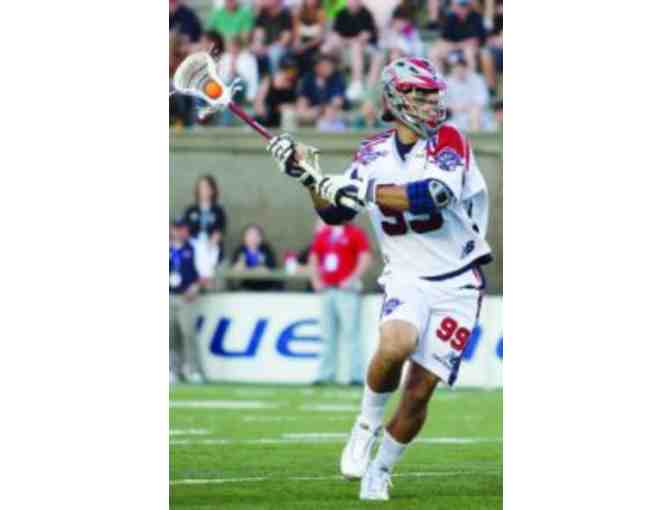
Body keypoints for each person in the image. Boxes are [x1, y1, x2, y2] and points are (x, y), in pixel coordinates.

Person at [266, 57, 491, 501]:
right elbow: (336, 213)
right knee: (395, 345)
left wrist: (362, 191)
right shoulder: (371, 152)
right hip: (406, 274)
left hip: (458, 282)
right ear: (395, 98)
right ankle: (366, 423)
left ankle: (381, 469)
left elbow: (435, 194)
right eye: (420, 94)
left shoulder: (449, 140)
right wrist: (308, 177)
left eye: (432, 95)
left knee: (418, 392)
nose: (430, 103)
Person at [309, 219, 372, 385]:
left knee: (351, 333)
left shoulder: (355, 233)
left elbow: (365, 258)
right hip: (327, 289)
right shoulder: (324, 234)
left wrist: (352, 278)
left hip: (346, 291)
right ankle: (324, 374)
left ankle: (356, 375)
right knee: (327, 334)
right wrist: (315, 280)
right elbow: (314, 258)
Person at [322, 0, 380, 101]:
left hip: (364, 47)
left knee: (356, 46)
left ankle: (357, 82)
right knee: (326, 47)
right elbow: (335, 34)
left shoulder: (366, 14)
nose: (352, 3)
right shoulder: (341, 13)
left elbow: (367, 36)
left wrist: (351, 40)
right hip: (345, 43)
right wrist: (346, 40)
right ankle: (324, 77)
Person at [169, 219, 205, 384]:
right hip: (168, 295)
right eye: (176, 229)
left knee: (188, 332)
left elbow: (204, 272)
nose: (179, 232)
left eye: (182, 229)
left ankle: (193, 369)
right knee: (170, 335)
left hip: (186, 297)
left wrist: (196, 286)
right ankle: (172, 370)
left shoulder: (194, 248)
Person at [181, 175, 227, 285]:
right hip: (194, 243)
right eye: (201, 187)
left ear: (213, 190)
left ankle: (205, 281)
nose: (203, 190)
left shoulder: (218, 210)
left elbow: (220, 230)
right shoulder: (191, 210)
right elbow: (184, 230)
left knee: (210, 254)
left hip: (211, 245)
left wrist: (213, 240)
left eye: (206, 187)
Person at [429, 0, 485, 74]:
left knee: (469, 52)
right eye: (460, 5)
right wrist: (458, 45)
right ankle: (438, 78)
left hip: (470, 51)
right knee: (434, 52)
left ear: (469, 6)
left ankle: (471, 78)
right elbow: (442, 40)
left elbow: (475, 42)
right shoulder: (451, 18)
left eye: (464, 5)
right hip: (454, 49)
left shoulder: (476, 17)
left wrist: (456, 45)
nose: (462, 8)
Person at [296, 54, 347, 129]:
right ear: (317, 67)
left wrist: (322, 109)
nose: (330, 68)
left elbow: (338, 101)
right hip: (313, 111)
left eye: (330, 65)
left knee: (330, 114)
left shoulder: (337, 78)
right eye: (326, 66)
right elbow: (302, 101)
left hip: (331, 112)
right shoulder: (308, 79)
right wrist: (306, 111)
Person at [444, 54, 490, 132]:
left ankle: (475, 136)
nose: (459, 69)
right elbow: (445, 104)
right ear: (452, 68)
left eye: (462, 66)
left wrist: (469, 108)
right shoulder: (446, 82)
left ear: (466, 67)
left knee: (475, 113)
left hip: (478, 115)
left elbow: (481, 101)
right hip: (455, 117)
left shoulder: (477, 79)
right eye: (456, 66)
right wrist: (461, 108)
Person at [231, 224, 282, 291]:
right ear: (244, 238)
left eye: (256, 235)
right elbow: (236, 269)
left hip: (267, 286)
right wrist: (242, 265)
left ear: (261, 238)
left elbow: (267, 270)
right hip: (247, 286)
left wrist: (247, 270)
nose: (253, 238)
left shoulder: (266, 249)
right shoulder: (240, 250)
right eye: (249, 235)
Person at [254, 56, 300, 129]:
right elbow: (259, 101)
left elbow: (297, 104)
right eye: (290, 71)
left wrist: (286, 107)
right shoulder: (269, 81)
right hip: (267, 116)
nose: (292, 74)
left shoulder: (294, 84)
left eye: (294, 71)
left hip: (284, 116)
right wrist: (262, 111)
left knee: (289, 114)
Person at [251, 0, 293, 74]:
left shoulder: (285, 14)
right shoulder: (262, 14)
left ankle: (274, 78)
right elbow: (259, 33)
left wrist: (267, 49)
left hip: (281, 47)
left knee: (274, 53)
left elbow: (285, 40)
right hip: (265, 47)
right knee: (252, 51)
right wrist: (258, 45)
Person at [292, 0, 327, 77]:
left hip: (314, 45)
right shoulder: (299, 12)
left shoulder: (321, 13)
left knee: (309, 57)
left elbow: (320, 37)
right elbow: (296, 32)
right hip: (301, 43)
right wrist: (297, 42)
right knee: (292, 55)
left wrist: (305, 46)